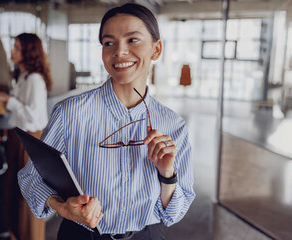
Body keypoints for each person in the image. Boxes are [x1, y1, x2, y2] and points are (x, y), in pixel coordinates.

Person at [17, 3, 195, 240]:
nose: (119, 51)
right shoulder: (70, 114)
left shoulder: (173, 124)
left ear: (156, 49)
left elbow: (175, 212)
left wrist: (167, 174)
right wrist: (61, 207)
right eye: (109, 43)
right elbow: (30, 177)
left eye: (133, 40)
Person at [0, 33, 52, 240]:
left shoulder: (34, 79)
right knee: (17, 193)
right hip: (20, 138)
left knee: (30, 196)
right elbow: (21, 112)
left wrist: (9, 101)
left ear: (28, 51)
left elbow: (34, 117)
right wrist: (7, 106)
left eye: (17, 47)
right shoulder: (23, 76)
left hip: (31, 140)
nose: (13, 51)